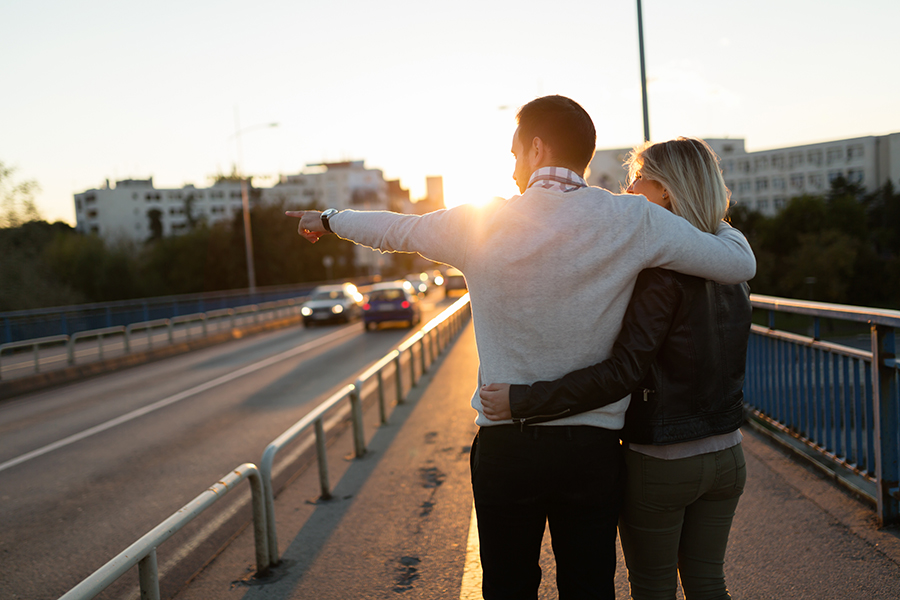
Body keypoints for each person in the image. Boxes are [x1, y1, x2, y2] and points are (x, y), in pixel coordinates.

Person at [286, 96, 755, 599]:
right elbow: (736, 265)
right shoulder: (634, 219)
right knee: (589, 586)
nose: (511, 170)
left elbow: (394, 230)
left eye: (513, 155)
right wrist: (711, 210)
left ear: (535, 148)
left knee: (509, 587)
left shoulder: (481, 223)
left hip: (508, 444)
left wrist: (329, 217)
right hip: (593, 450)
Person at [480, 137, 751, 600]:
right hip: (728, 451)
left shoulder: (659, 272)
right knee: (709, 583)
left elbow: (622, 372)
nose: (628, 189)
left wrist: (523, 400)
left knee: (654, 586)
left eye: (638, 178)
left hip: (664, 458)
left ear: (665, 190)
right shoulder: (730, 266)